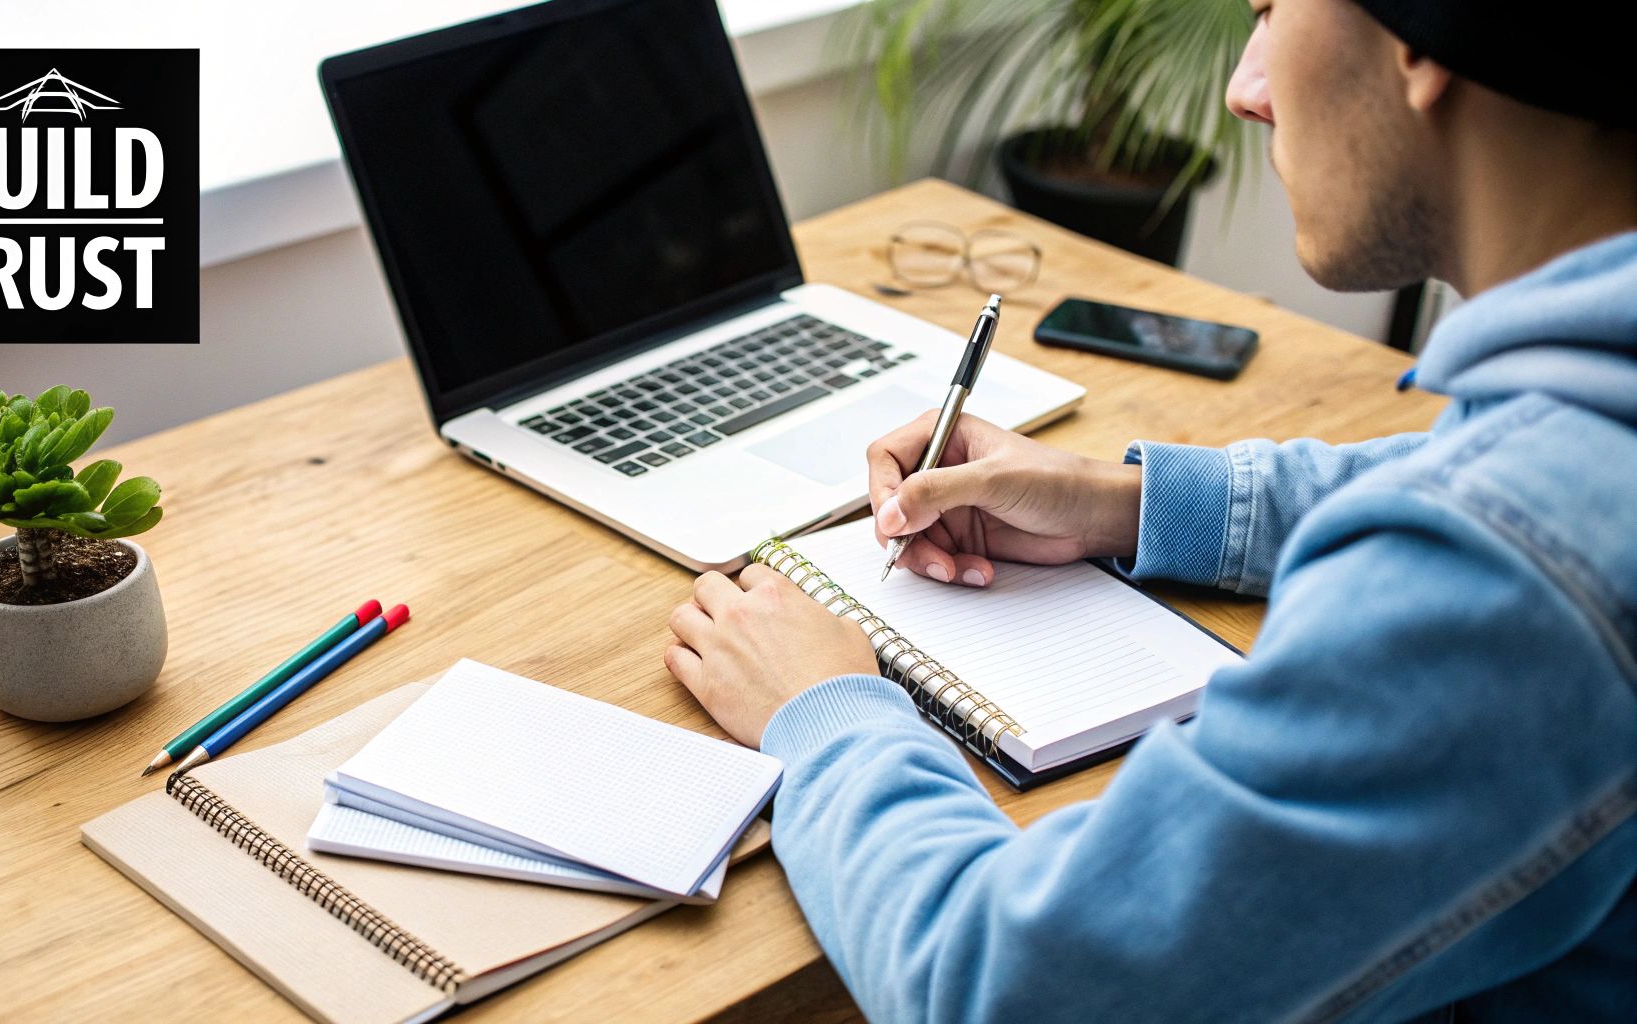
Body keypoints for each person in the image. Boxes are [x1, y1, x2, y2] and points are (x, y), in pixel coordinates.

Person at [661, 0, 1637, 1018]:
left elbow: (1009, 988)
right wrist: (1128, 504)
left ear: (1422, 42)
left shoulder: (1512, 584)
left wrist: (819, 712)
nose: (1243, 89)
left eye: (1269, 9)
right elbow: (1494, 467)